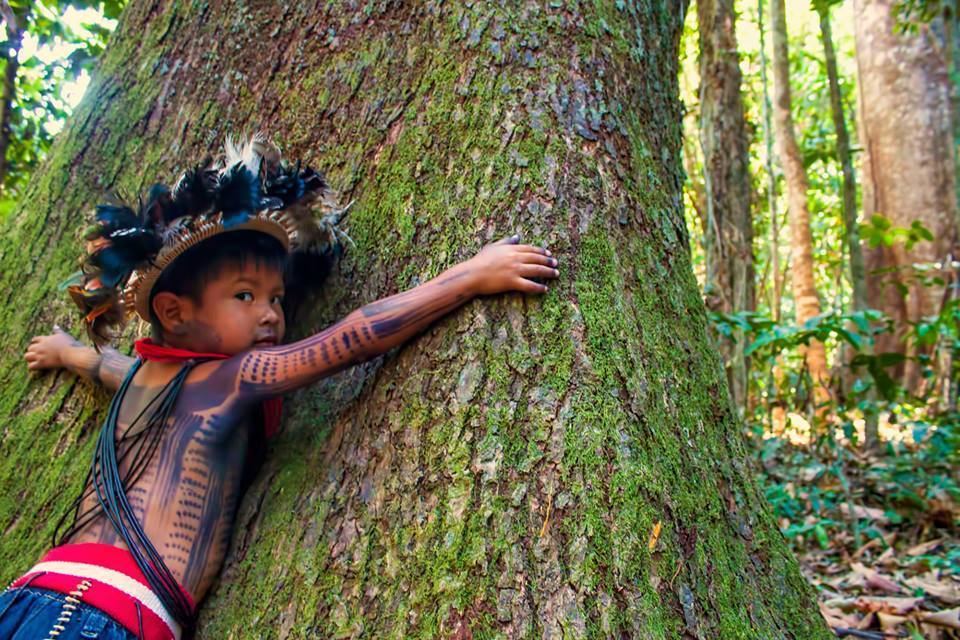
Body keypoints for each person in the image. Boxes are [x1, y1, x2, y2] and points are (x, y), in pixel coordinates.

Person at [7, 133, 560, 640]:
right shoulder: (232, 376)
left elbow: (102, 365)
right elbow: (352, 338)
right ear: (174, 313)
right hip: (103, 616)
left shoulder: (140, 379)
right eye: (245, 296)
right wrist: (470, 276)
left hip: (30, 597)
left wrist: (66, 352)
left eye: (276, 298)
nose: (272, 313)